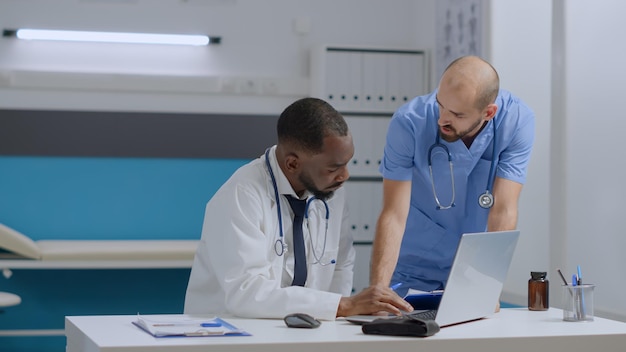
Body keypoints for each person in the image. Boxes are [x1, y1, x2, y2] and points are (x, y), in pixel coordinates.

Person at [184, 97, 412, 321]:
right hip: (230, 332)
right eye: (333, 167)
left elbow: (341, 265)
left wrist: (337, 318)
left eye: (346, 163)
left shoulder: (329, 190)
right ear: (292, 163)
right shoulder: (241, 195)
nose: (345, 176)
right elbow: (246, 292)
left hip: (302, 331)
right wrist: (343, 305)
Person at [369, 56, 535, 297]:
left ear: (489, 112)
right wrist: (379, 289)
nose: (442, 119)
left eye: (457, 114)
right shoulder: (409, 123)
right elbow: (394, 213)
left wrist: (487, 287)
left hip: (473, 268)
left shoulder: (516, 121)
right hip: (413, 266)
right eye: (440, 104)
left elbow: (504, 210)